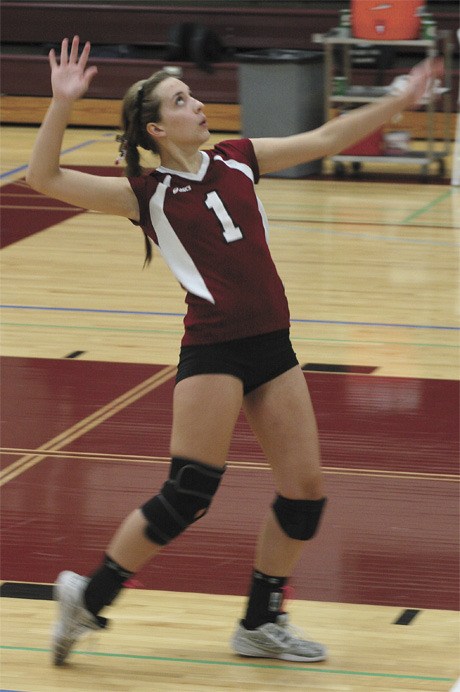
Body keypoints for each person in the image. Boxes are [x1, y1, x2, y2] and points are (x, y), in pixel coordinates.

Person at [26, 36, 443, 667]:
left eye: (191, 95)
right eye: (181, 100)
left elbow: (329, 139)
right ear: (156, 128)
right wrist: (61, 104)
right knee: (190, 492)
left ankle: (259, 623)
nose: (197, 105)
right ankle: (89, 596)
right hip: (214, 350)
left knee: (304, 494)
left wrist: (397, 98)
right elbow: (44, 177)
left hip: (273, 347)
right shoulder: (147, 194)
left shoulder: (240, 158)